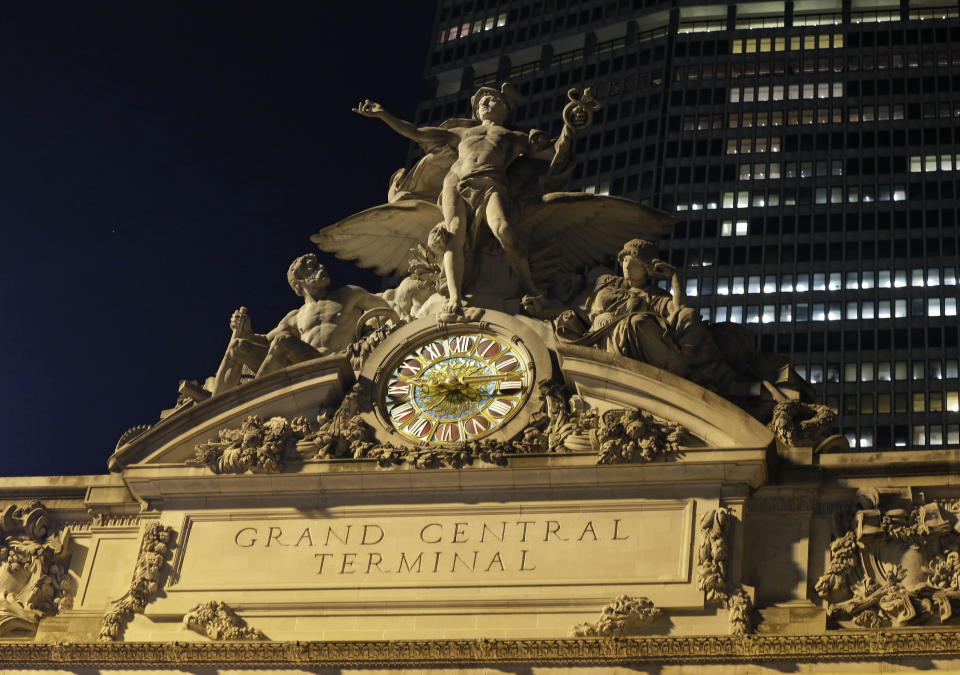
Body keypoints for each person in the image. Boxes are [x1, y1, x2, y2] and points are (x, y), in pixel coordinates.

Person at [353, 84, 571, 318]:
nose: (485, 104)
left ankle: (530, 288)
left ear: (505, 108)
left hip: (491, 181)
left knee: (504, 230)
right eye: (481, 102)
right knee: (454, 232)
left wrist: (570, 127)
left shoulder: (515, 137)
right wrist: (382, 114)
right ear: (476, 112)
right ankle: (455, 297)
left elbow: (554, 152)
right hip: (456, 182)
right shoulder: (461, 133)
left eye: (492, 99)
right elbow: (416, 132)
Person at [583, 239, 762, 397]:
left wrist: (676, 277)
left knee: (687, 315)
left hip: (651, 339)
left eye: (634, 263)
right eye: (624, 262)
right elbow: (595, 309)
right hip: (614, 334)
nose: (627, 267)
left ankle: (716, 376)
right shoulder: (611, 287)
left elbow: (680, 309)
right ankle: (687, 372)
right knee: (638, 322)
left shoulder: (655, 295)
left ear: (646, 269)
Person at [209, 254, 389, 395]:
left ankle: (253, 400)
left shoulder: (349, 294)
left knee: (283, 342)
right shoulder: (296, 316)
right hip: (306, 363)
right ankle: (214, 411)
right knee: (237, 346)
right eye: (313, 267)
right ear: (300, 280)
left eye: (318, 265)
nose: (322, 267)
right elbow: (264, 341)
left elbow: (387, 310)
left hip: (336, 363)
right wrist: (244, 330)